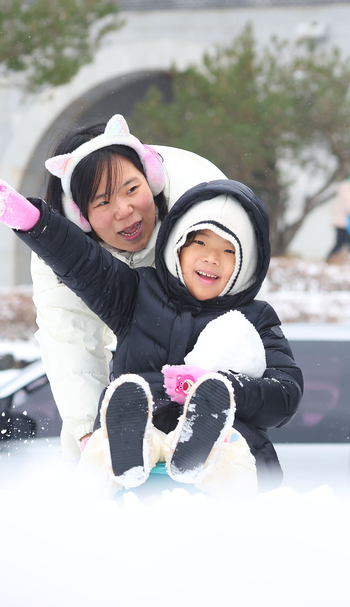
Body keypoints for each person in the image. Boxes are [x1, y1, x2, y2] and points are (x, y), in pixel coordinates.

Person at [0, 176, 303, 493]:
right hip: (144, 427)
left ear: (249, 261)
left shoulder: (254, 318)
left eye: (229, 250)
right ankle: (130, 453)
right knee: (105, 445)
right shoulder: (138, 293)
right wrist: (33, 220)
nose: (210, 258)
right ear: (177, 243)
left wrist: (220, 388)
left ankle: (200, 438)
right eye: (199, 242)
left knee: (231, 450)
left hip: (224, 453)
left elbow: (284, 393)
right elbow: (84, 263)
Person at [30, 114, 224, 458]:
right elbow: (68, 337)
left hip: (202, 347)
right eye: (103, 202)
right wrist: (89, 432)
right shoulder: (57, 247)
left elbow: (232, 318)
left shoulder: (204, 207)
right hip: (121, 354)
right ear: (80, 215)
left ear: (151, 180)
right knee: (92, 447)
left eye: (132, 190)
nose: (124, 210)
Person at [326, 174, 350, 259]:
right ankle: (328, 259)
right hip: (343, 221)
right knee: (342, 241)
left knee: (346, 241)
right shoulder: (349, 192)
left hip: (341, 220)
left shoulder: (345, 190)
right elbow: (349, 206)